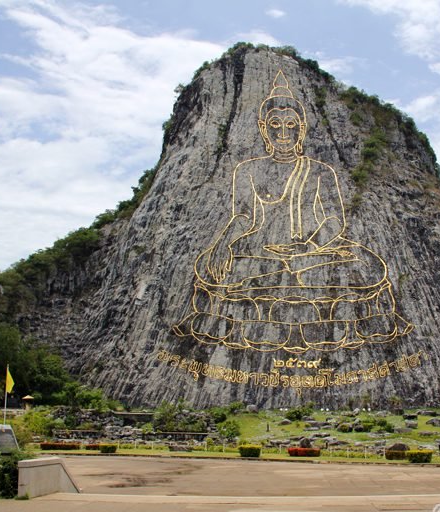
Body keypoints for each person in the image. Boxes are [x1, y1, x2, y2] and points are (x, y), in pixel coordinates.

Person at [174, 71, 411, 353]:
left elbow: (335, 220)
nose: (283, 133)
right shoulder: (248, 169)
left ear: (302, 128)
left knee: (365, 265)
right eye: (275, 125)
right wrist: (223, 242)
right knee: (216, 267)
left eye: (291, 125)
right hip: (263, 254)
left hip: (314, 254)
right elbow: (244, 216)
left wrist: (309, 246)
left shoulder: (320, 170)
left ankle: (293, 297)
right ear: (263, 128)